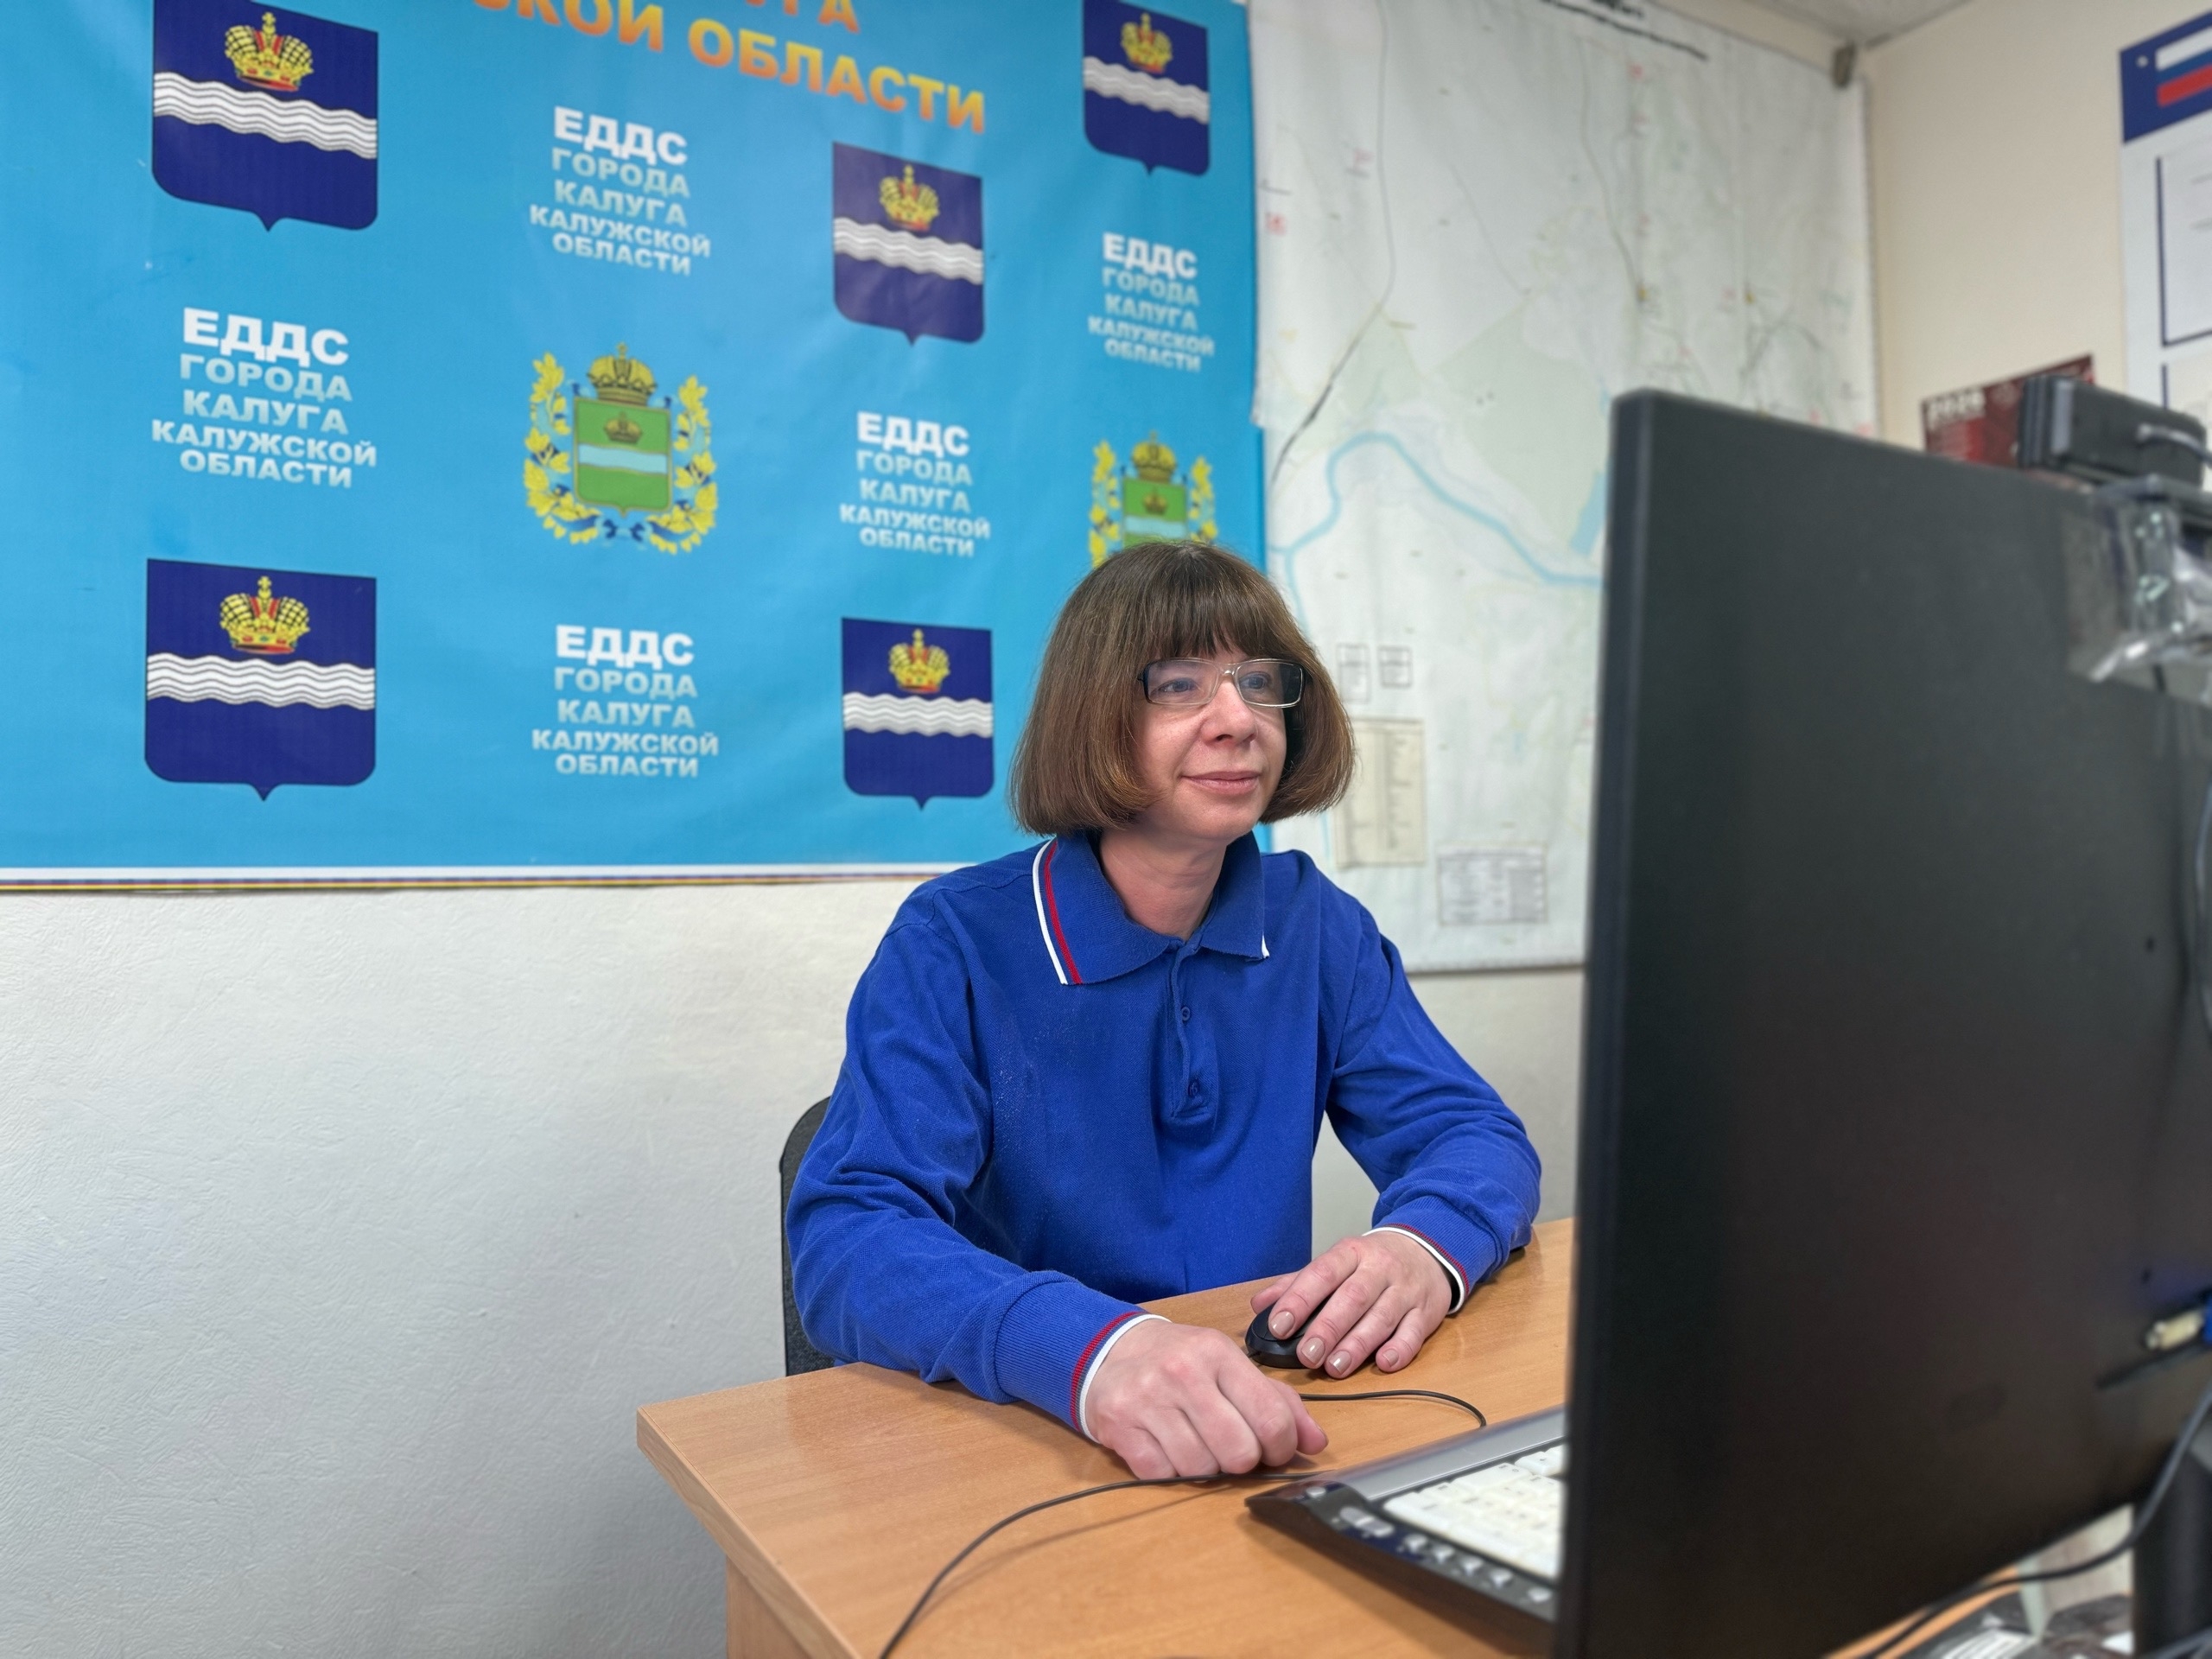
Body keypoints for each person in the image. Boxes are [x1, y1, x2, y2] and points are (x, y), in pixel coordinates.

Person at [787, 540, 1540, 1479]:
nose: (1238, 720)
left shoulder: (1315, 926)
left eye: (1259, 682)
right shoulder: (954, 939)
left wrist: (1422, 1246)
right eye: (1179, 685)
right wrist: (1091, 1350)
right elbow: (848, 1239)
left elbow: (1473, 1135)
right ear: (1093, 715)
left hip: (1256, 1422)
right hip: (1033, 1436)